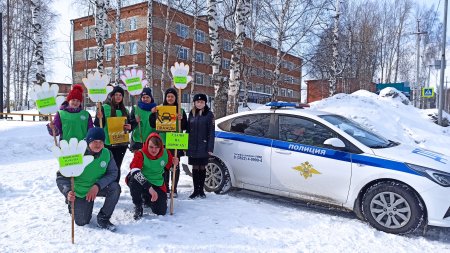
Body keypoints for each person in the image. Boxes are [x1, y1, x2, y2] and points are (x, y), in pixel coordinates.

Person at [56, 127, 121, 231]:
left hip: (97, 187)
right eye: (95, 141)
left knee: (115, 188)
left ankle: (103, 218)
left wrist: (97, 186)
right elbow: (61, 177)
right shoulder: (76, 153)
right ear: (88, 141)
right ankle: (72, 203)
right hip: (80, 191)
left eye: (101, 141)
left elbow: (113, 173)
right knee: (82, 221)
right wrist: (67, 191)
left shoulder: (107, 153)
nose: (98, 144)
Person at [126, 133, 178, 219]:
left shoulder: (166, 153)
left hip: (157, 183)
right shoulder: (140, 153)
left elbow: (171, 169)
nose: (154, 150)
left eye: (156, 147)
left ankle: (147, 199)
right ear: (147, 145)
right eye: (151, 147)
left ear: (160, 146)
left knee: (160, 211)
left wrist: (175, 165)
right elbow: (134, 171)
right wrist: (149, 188)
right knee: (133, 179)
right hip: (142, 183)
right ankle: (138, 205)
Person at [149, 87, 187, 198]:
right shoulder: (160, 109)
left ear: (175, 98)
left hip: (175, 141)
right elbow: (153, 124)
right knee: (164, 166)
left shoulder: (180, 110)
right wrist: (152, 114)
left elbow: (185, 126)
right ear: (166, 97)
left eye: (172, 96)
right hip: (163, 142)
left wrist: (182, 119)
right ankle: (165, 187)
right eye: (168, 96)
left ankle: (174, 189)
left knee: (175, 166)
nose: (170, 98)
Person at [95, 85, 130, 182]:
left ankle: (115, 188)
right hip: (108, 143)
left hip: (121, 144)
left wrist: (129, 127)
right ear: (112, 96)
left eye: (120, 95)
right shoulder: (104, 107)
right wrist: (99, 118)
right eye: (116, 94)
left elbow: (128, 126)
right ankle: (106, 186)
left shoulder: (125, 110)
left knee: (117, 167)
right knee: (107, 167)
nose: (118, 97)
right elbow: (97, 125)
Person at [186, 94, 215, 199]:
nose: (199, 103)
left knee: (202, 167)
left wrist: (210, 148)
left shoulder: (209, 115)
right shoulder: (191, 114)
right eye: (198, 102)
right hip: (192, 145)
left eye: (202, 102)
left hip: (203, 146)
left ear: (205, 103)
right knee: (194, 167)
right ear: (194, 103)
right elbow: (187, 129)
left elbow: (211, 132)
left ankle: (201, 190)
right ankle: (195, 190)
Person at [129, 87, 157, 152]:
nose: (145, 99)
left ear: (151, 98)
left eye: (147, 97)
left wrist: (154, 114)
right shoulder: (136, 108)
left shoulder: (156, 109)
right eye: (143, 97)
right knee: (138, 161)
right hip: (137, 141)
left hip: (151, 141)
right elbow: (130, 124)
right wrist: (135, 121)